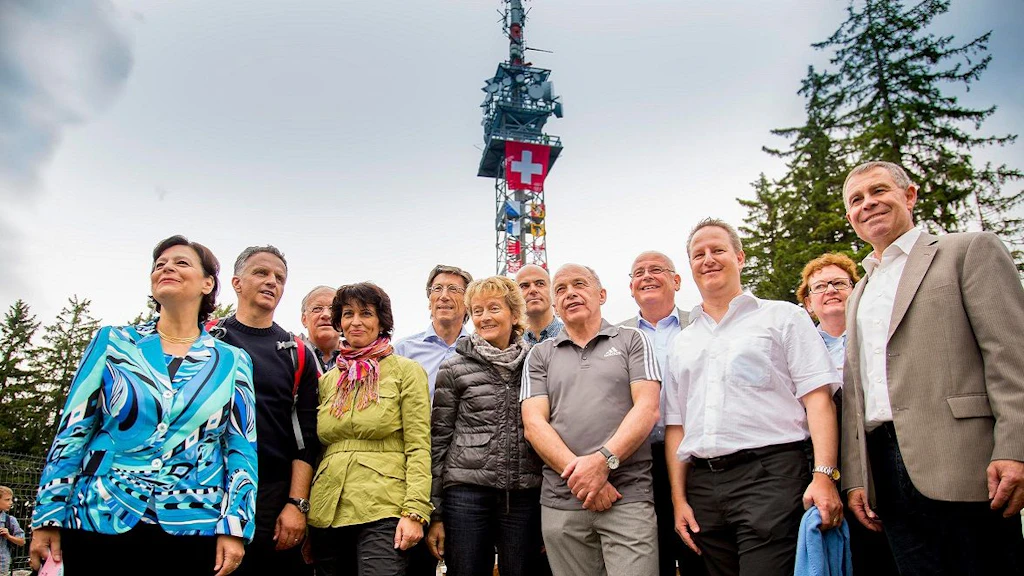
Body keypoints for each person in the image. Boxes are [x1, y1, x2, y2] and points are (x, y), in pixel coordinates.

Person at [29, 235, 258, 576]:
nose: (166, 267)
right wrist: (48, 514)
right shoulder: (113, 342)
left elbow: (241, 446)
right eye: (159, 264)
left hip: (193, 523)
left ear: (208, 283)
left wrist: (235, 525)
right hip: (98, 516)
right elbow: (73, 429)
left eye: (181, 262)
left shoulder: (233, 360)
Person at [840, 161, 1024, 575]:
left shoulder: (968, 251)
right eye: (856, 200)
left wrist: (1015, 448)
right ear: (850, 217)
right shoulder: (860, 292)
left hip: (965, 460)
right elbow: (856, 392)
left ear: (909, 196)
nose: (868, 204)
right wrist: (857, 477)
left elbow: (1011, 356)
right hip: (885, 471)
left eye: (878, 191)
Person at [663, 218, 842, 576]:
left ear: (740, 257)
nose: (708, 259)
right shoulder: (681, 342)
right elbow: (676, 426)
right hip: (703, 486)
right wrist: (679, 498)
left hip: (770, 476)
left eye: (718, 250)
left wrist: (824, 475)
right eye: (699, 254)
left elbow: (818, 399)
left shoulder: (783, 317)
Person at [521, 263, 661, 576]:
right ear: (555, 305)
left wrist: (602, 463)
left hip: (627, 496)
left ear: (601, 294)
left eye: (579, 284)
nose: (570, 293)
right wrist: (583, 478)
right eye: (560, 289)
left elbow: (648, 408)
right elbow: (534, 425)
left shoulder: (632, 341)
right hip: (562, 504)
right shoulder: (539, 355)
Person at [308, 283, 432, 576]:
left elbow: (418, 445)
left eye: (366, 313)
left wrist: (415, 511)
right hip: (327, 509)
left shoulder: (405, 370)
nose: (356, 321)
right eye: (348, 313)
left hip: (384, 506)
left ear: (381, 321)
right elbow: (319, 449)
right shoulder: (328, 380)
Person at [426, 276, 543, 576]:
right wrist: (436, 512)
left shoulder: (535, 363)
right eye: (477, 311)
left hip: (522, 493)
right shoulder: (453, 367)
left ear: (515, 315)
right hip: (466, 495)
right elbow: (439, 440)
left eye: (494, 308)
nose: (485, 317)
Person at [217, 246, 319, 576]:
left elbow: (306, 438)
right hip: (206, 487)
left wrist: (296, 504)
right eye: (261, 273)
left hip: (271, 497)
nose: (271, 282)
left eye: (279, 278)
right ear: (236, 282)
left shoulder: (297, 353)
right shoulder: (206, 339)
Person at [797, 253, 897, 576]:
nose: (831, 290)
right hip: (820, 465)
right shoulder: (799, 347)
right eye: (819, 286)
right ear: (809, 304)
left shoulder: (879, 336)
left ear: (855, 291)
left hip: (881, 456)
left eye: (840, 283)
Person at [618, 251, 707, 576]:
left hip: (696, 459)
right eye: (638, 272)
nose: (647, 277)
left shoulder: (700, 325)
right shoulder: (616, 335)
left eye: (656, 270)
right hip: (637, 462)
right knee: (651, 555)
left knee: (699, 547)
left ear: (677, 280)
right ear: (630, 287)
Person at [394, 264, 474, 399]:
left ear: (468, 302)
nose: (444, 296)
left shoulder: (479, 350)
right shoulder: (403, 351)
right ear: (429, 301)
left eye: (453, 289)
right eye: (437, 289)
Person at [515, 264, 563, 344]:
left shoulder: (574, 336)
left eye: (540, 284)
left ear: (552, 290)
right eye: (524, 286)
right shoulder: (509, 345)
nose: (533, 290)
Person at [300, 285, 341, 373]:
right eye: (317, 309)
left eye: (333, 309)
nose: (326, 315)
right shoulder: (289, 356)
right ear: (304, 319)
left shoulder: (361, 359)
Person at [0, 486, 26, 576]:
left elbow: (22, 541)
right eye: (7, 500)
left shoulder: (9, 520)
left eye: (11, 500)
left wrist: (8, 536)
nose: (11, 503)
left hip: (2, 564)